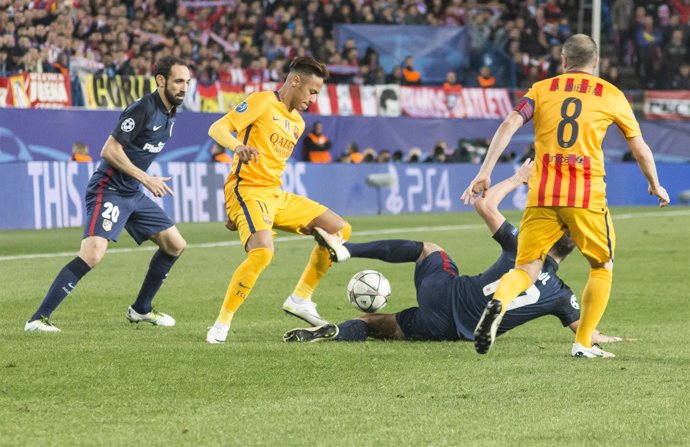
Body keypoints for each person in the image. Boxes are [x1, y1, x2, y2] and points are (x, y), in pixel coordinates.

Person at [461, 34, 669, 358]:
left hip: (542, 193)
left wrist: (485, 171)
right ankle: (583, 343)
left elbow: (509, 122)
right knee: (602, 265)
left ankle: (498, 303)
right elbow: (639, 147)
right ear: (596, 62)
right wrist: (655, 183)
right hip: (586, 195)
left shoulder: (542, 90)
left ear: (563, 60)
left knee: (526, 269)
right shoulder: (611, 94)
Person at [284, 161, 622, 346]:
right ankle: (340, 333)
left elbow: (484, 205)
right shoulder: (563, 297)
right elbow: (586, 332)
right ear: (573, 249)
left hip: (443, 295)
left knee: (429, 250)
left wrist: (519, 178)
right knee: (372, 324)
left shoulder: (522, 246)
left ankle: (347, 250)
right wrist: (611, 337)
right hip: (446, 331)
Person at [25, 56, 191, 332]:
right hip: (109, 189)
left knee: (175, 244)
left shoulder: (170, 113)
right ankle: (38, 319)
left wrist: (143, 179)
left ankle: (141, 310)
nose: (184, 87)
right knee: (92, 254)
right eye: (178, 81)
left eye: (187, 82)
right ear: (160, 81)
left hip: (132, 192)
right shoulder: (143, 109)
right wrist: (146, 178)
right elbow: (109, 150)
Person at [205, 56, 352, 344]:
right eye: (312, 92)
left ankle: (300, 299)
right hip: (248, 189)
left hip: (275, 194)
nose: (313, 100)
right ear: (295, 81)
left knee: (339, 229)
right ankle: (221, 324)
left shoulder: (297, 123)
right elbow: (217, 129)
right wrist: (238, 146)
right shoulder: (261, 101)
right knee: (263, 252)